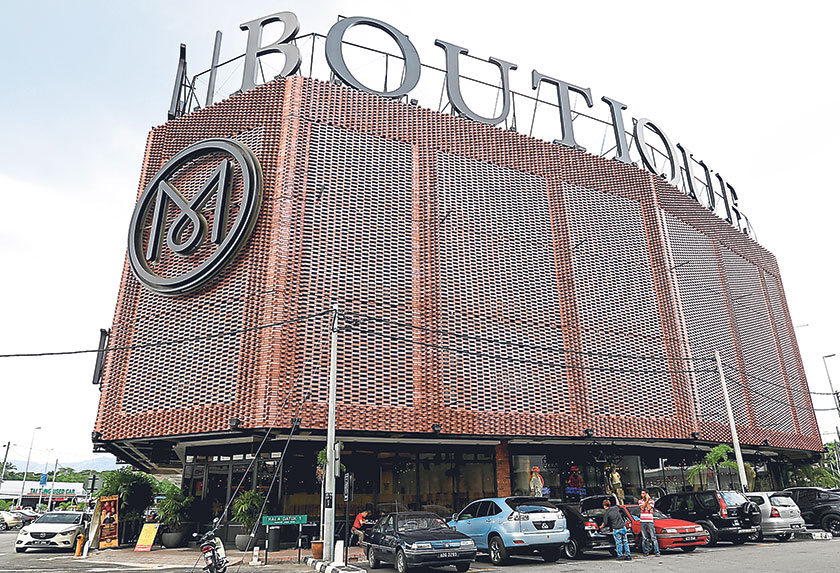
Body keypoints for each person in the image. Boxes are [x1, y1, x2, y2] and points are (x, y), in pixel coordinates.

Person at [638, 490, 660, 557]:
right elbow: (642, 508)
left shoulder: (652, 501)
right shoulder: (640, 501)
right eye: (642, 493)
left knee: (653, 537)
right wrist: (646, 501)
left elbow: (649, 508)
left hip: (650, 520)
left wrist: (647, 500)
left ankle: (657, 551)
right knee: (644, 537)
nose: (643, 495)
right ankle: (646, 551)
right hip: (643, 520)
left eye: (644, 493)